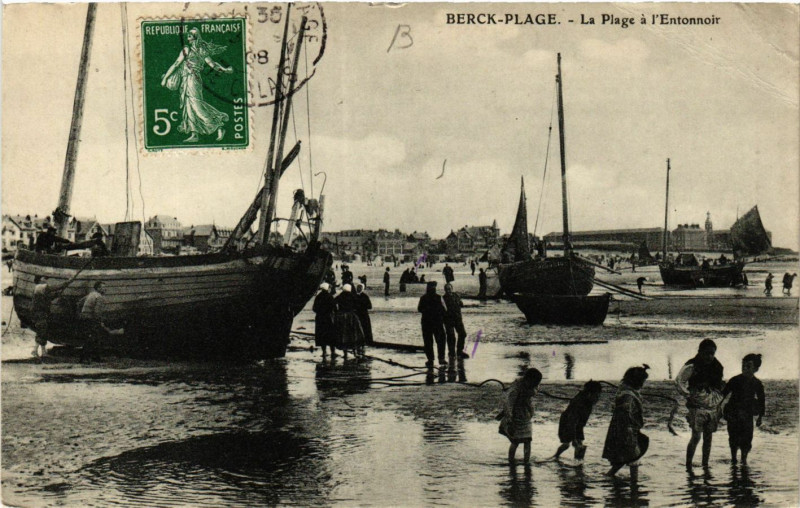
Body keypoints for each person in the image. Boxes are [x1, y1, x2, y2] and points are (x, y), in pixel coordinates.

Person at [160, 27, 233, 142]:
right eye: (189, 34)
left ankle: (218, 125)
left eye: (191, 34)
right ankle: (194, 134)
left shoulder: (193, 50)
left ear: (195, 37)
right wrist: (224, 69)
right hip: (188, 79)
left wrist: (224, 70)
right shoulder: (195, 50)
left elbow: (212, 64)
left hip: (193, 79)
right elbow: (177, 64)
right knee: (189, 105)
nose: (189, 35)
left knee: (196, 105)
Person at [676, 339, 725, 469]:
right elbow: (679, 381)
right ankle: (688, 464)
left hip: (711, 406)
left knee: (708, 437)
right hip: (696, 406)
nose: (709, 356)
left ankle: (705, 464)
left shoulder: (718, 366)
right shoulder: (692, 365)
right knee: (696, 436)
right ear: (700, 352)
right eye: (706, 353)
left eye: (712, 353)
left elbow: (718, 386)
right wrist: (688, 395)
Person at [603, 366, 650, 476]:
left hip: (622, 429)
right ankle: (635, 486)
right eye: (643, 381)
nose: (643, 383)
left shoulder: (625, 390)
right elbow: (625, 413)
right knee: (633, 457)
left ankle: (610, 475)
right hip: (626, 430)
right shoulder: (628, 396)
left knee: (624, 455)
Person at [722, 354, 765, 465]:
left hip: (747, 415)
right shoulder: (735, 380)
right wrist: (717, 409)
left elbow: (761, 400)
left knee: (747, 438)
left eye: (748, 366)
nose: (745, 368)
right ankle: (733, 459)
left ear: (756, 369)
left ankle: (744, 460)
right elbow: (723, 394)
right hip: (733, 413)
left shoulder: (757, 383)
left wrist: (760, 417)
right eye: (743, 365)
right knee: (733, 437)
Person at [499, 368, 543, 464]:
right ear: (528, 380)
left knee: (528, 440)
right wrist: (509, 419)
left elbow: (535, 390)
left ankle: (526, 461)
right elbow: (508, 404)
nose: (535, 385)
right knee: (515, 441)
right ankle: (511, 461)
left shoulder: (532, 386)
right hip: (516, 417)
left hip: (526, 416)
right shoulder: (515, 389)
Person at [554, 380, 603, 461]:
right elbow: (571, 422)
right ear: (589, 394)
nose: (597, 399)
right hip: (567, 422)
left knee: (580, 444)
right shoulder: (578, 403)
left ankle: (578, 462)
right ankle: (556, 456)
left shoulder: (589, 401)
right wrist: (574, 439)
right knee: (566, 444)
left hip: (579, 424)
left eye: (599, 396)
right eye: (596, 396)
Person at [30, 275, 77, 359]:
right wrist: (67, 282)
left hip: (40, 313)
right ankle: (35, 350)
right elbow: (54, 287)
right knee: (41, 330)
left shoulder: (40, 289)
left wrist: (56, 295)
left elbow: (49, 297)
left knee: (42, 331)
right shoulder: (40, 287)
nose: (46, 280)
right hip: (39, 313)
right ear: (40, 279)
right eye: (44, 278)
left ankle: (42, 352)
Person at [78, 281, 114, 363]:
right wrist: (100, 322)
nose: (105, 289)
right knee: (93, 338)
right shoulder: (99, 297)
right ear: (98, 288)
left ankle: (94, 357)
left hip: (85, 318)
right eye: (103, 287)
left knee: (91, 337)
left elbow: (79, 302)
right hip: (91, 319)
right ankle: (85, 358)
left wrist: (81, 313)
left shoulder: (91, 294)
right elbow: (97, 312)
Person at [417, 281, 447, 368]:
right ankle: (441, 358)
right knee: (440, 340)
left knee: (428, 342)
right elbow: (445, 309)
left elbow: (419, 309)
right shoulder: (439, 297)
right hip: (437, 323)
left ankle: (430, 360)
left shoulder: (423, 298)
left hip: (426, 323)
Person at [333, 284, 365, 359]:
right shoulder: (352, 296)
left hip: (342, 316)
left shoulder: (340, 296)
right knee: (353, 334)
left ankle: (345, 353)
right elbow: (357, 305)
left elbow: (334, 302)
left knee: (343, 334)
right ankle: (354, 352)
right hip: (351, 316)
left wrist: (337, 311)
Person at [442, 283, 469, 360]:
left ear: (452, 289)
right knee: (451, 337)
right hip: (448, 320)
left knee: (463, 334)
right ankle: (451, 353)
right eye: (447, 289)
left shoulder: (456, 296)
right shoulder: (443, 298)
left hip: (458, 319)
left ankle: (459, 351)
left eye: (449, 289)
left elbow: (461, 304)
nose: (448, 291)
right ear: (445, 290)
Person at [312, 283, 336, 358]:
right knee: (331, 335)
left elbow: (314, 308)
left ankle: (324, 352)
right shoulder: (330, 296)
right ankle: (333, 352)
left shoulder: (318, 297)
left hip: (320, 318)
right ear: (327, 288)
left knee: (322, 335)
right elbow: (334, 307)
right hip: (328, 318)